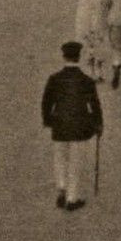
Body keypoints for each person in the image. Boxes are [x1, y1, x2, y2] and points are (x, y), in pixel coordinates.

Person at [41, 42, 103, 212]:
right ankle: (72, 198)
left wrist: (48, 120)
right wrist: (98, 124)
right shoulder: (86, 80)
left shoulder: (54, 79)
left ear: (64, 57)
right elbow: (95, 105)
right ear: (79, 57)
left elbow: (46, 102)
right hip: (79, 126)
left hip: (60, 125)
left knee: (60, 157)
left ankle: (61, 186)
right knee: (76, 162)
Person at [74, 0, 113, 82]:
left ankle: (90, 71)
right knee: (100, 41)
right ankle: (99, 70)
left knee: (89, 41)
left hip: (86, 12)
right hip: (99, 12)